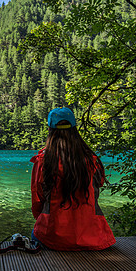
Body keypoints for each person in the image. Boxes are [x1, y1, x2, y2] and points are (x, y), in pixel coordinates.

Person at [30, 107, 115, 251]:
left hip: (53, 237)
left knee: (36, 234)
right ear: (75, 129)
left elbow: (37, 199)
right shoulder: (91, 160)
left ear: (50, 129)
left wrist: (43, 219)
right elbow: (98, 185)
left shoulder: (43, 161)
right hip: (93, 237)